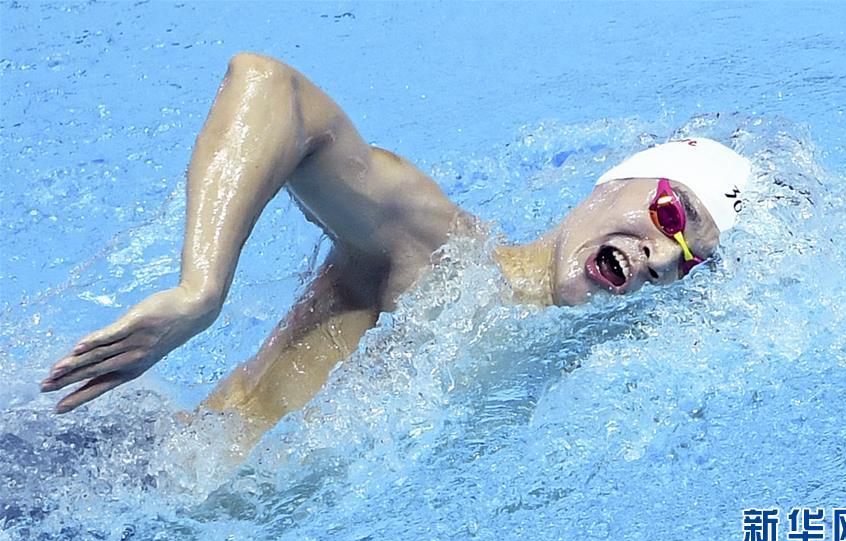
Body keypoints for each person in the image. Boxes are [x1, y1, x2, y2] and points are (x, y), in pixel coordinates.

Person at [41, 53, 751, 448]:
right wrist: (201, 290)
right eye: (669, 212)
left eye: (686, 259)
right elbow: (271, 88)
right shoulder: (444, 256)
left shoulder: (567, 361)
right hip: (108, 476)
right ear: (610, 186)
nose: (662, 255)